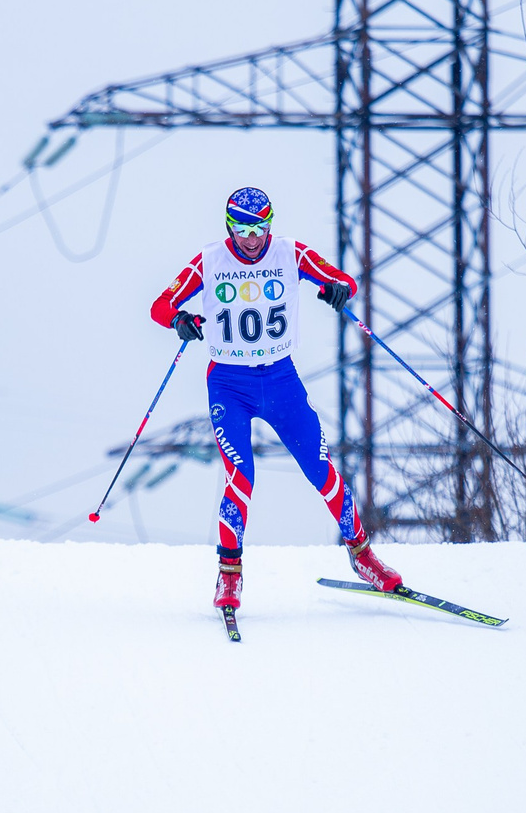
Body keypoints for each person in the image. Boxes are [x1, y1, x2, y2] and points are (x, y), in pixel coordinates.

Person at [148, 185, 404, 614]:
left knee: (322, 472)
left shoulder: (290, 253)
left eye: (260, 228)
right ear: (228, 226)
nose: (252, 239)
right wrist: (180, 318)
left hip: (281, 381)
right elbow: (160, 304)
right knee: (240, 478)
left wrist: (338, 290)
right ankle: (229, 574)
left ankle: (363, 556)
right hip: (229, 386)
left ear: (271, 225)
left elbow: (343, 280)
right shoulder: (210, 260)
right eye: (242, 229)